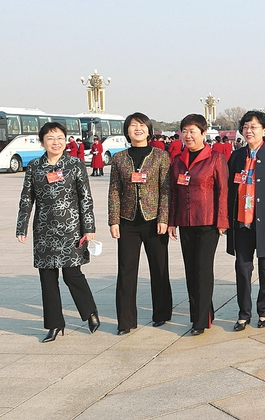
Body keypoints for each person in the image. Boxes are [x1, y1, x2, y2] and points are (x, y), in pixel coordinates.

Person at [16, 122, 100, 342]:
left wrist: (89, 228)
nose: (56, 142)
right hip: (44, 230)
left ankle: (90, 311)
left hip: (71, 229)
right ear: (42, 141)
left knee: (72, 274)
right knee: (47, 277)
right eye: (51, 138)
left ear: (65, 140)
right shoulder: (34, 166)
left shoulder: (75, 164)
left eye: (60, 137)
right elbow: (26, 198)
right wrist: (21, 226)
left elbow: (85, 198)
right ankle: (54, 324)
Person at [107, 112, 173, 335]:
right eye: (133, 125)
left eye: (142, 125)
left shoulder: (160, 156)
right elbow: (114, 191)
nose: (138, 129)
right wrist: (113, 220)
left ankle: (162, 313)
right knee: (126, 270)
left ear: (149, 130)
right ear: (127, 131)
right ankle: (125, 321)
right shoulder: (119, 158)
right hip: (127, 222)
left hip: (153, 220)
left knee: (159, 267)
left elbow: (166, 190)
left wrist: (164, 218)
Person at [226, 110, 265, 331]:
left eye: (254, 127)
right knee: (242, 269)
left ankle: (264, 311)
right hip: (241, 222)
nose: (249, 131)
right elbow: (228, 190)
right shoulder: (236, 157)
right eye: (245, 127)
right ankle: (243, 313)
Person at [169, 114, 229, 335]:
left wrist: (222, 220)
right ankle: (201, 313)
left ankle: (200, 322)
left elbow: (223, 191)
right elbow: (173, 193)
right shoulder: (178, 160)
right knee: (191, 270)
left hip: (207, 222)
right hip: (185, 221)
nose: (188, 135)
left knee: (203, 270)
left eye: (193, 131)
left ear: (203, 134)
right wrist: (172, 221)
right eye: (184, 131)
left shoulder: (215, 158)